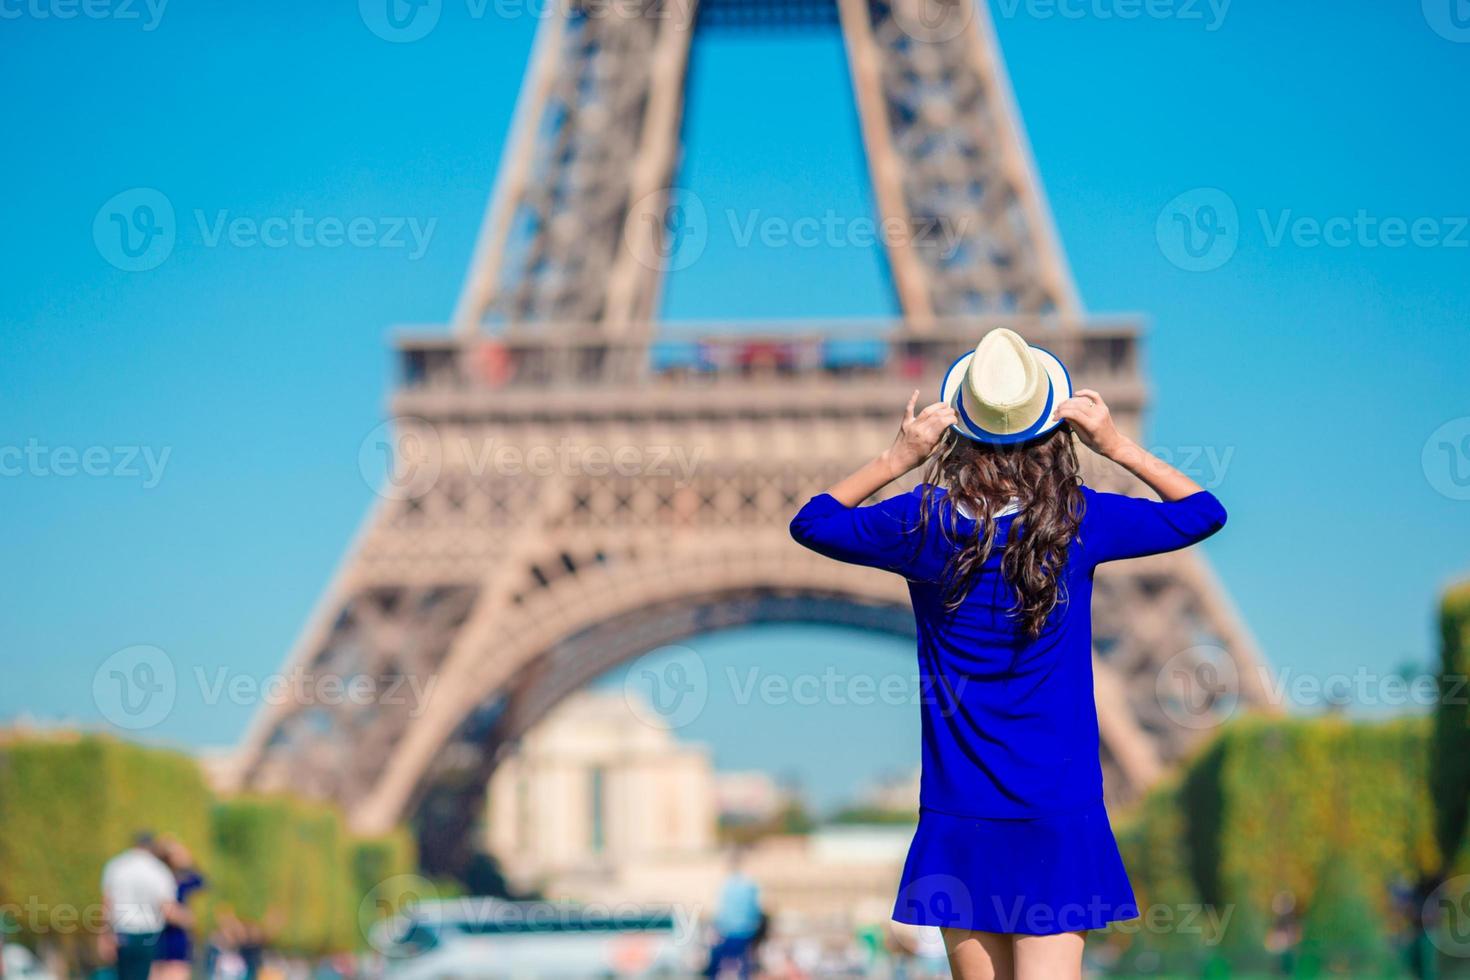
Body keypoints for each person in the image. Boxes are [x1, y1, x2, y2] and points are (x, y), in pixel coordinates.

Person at [790, 328, 1230, 980]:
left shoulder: (922, 523)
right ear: (1050, 427)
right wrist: (1115, 445)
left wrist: (898, 455)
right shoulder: (1079, 520)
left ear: (959, 430)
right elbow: (1203, 512)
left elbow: (814, 522)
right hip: (1058, 807)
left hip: (960, 813)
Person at [101, 832, 178, 980]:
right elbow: (166, 909)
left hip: (122, 933)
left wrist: (104, 935)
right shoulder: (159, 870)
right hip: (150, 935)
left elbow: (106, 904)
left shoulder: (116, 866)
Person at [152, 836, 206, 980]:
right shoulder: (158, 878)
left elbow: (202, 883)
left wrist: (187, 860)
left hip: (176, 938)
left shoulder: (186, 880)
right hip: (157, 935)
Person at [704, 850, 764, 979]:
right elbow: (756, 910)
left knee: (717, 965)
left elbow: (719, 912)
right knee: (744, 965)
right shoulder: (749, 885)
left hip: (729, 931)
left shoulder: (727, 885)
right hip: (745, 931)